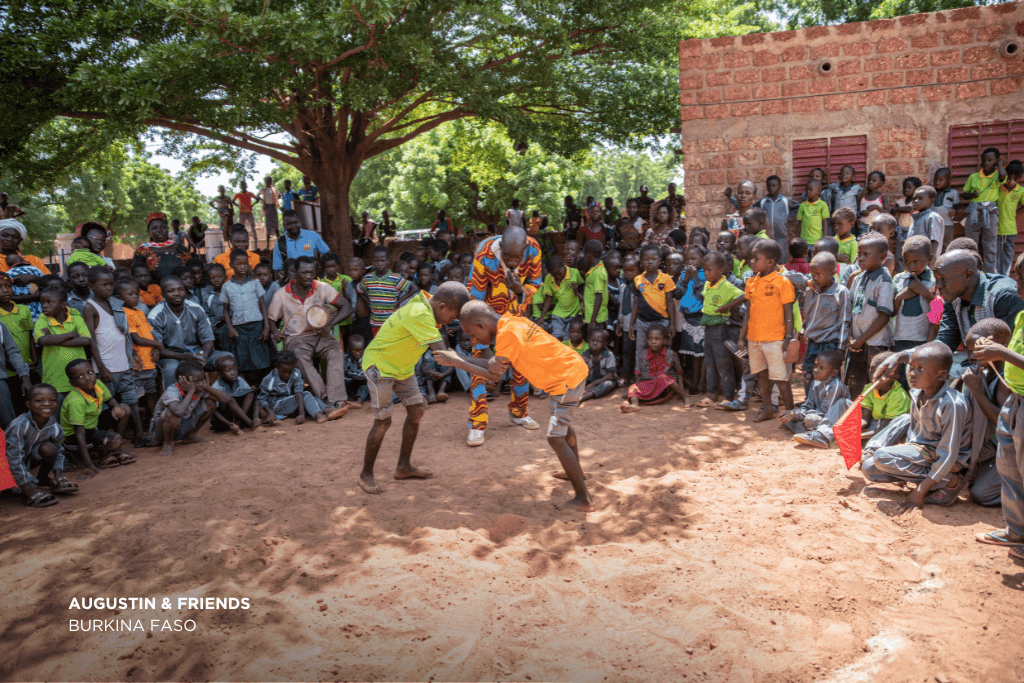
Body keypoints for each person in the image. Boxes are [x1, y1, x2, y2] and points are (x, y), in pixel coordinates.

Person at [436, 298, 594, 511]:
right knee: (562, 429)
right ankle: (574, 471)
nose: (475, 339)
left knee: (555, 438)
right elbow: (492, 364)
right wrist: (460, 358)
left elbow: (493, 375)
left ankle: (583, 499)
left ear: (481, 325)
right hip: (572, 370)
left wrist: (456, 361)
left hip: (565, 381)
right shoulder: (513, 321)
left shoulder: (506, 337)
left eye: (474, 334)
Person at [355, 282, 471, 493]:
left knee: (416, 410)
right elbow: (443, 355)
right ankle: (366, 474)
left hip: (402, 367)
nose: (452, 322)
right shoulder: (421, 314)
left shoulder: (426, 303)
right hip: (380, 366)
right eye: (453, 317)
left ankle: (403, 467)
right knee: (383, 422)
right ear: (442, 307)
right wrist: (481, 366)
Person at [862, 342, 972, 513]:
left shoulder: (952, 404)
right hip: (922, 451)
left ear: (941, 375)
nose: (912, 373)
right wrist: (904, 455)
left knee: (882, 457)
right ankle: (926, 478)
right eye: (911, 367)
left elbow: (948, 453)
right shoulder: (916, 393)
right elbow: (915, 434)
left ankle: (950, 482)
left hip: (945, 458)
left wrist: (919, 492)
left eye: (921, 369)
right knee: (870, 469)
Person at [465, 226, 544, 446]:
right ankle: (477, 424)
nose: (512, 261)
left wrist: (520, 291)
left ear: (525, 248)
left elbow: (535, 284)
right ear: (501, 247)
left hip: (515, 316)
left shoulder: (534, 250)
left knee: (521, 367)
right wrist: (483, 336)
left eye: (516, 257)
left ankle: (519, 413)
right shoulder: (484, 254)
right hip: (485, 318)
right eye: (508, 256)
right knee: (481, 367)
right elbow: (476, 298)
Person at [268, 256, 352, 410]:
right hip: (297, 338)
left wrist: (331, 323)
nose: (308, 276)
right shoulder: (281, 294)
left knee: (335, 351)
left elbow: (347, 306)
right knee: (299, 357)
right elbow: (271, 319)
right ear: (295, 272)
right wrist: (275, 331)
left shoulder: (322, 287)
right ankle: (326, 399)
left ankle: (336, 400)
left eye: (311, 272)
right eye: (304, 272)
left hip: (321, 335)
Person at [737, 239, 795, 422]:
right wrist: (742, 336)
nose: (751, 262)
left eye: (756, 258)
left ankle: (792, 414)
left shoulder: (782, 282)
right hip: (754, 338)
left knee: (780, 379)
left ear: (770, 262)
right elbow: (748, 312)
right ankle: (768, 409)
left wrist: (788, 337)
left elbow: (789, 312)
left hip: (775, 339)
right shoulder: (751, 282)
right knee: (761, 375)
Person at [82, 267, 142, 440]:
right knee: (107, 406)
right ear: (91, 286)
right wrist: (101, 366)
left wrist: (131, 355)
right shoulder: (90, 307)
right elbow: (91, 339)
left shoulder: (114, 303)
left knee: (132, 401)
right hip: (107, 367)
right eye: (104, 284)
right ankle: (108, 441)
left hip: (124, 363)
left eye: (111, 284)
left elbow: (123, 334)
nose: (109, 288)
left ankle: (139, 435)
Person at [958, 318, 1010, 508]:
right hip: (996, 449)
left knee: (981, 493)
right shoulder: (983, 371)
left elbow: (1003, 421)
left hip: (1012, 449)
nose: (972, 355)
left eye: (978, 348)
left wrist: (977, 391)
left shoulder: (1007, 379)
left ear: (1001, 345)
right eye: (969, 349)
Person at [5, 384, 75, 508]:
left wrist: (58, 476)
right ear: (28, 405)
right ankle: (25, 486)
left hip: (26, 461)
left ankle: (42, 478)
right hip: (6, 465)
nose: (47, 404)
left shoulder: (55, 427)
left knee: (50, 448)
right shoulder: (19, 425)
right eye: (39, 400)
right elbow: (13, 458)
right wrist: (27, 486)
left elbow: (58, 452)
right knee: (9, 493)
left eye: (52, 400)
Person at [60, 358, 134, 474]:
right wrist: (88, 465)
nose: (87, 378)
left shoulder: (97, 385)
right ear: (73, 383)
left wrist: (116, 406)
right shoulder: (75, 400)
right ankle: (104, 453)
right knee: (113, 438)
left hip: (93, 426)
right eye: (80, 376)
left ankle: (116, 449)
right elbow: (79, 433)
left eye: (89, 372)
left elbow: (110, 400)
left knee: (124, 408)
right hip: (75, 437)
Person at [846, 234, 894, 397]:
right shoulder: (858, 278)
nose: (861, 258)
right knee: (855, 380)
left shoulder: (884, 280)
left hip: (875, 342)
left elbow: (884, 316)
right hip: (857, 341)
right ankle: (857, 415)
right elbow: (851, 308)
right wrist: (852, 337)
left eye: (866, 255)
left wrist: (862, 339)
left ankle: (873, 417)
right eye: (859, 254)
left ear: (882, 257)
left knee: (875, 380)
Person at [115, 279, 162, 443]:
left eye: (136, 294)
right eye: (130, 294)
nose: (136, 297)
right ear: (118, 297)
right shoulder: (124, 314)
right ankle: (136, 433)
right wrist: (158, 344)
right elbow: (135, 338)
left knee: (151, 394)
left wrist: (156, 348)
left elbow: (150, 333)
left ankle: (153, 425)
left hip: (150, 363)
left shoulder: (139, 312)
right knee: (133, 399)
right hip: (138, 366)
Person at [147, 275, 215, 387]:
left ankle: (218, 401)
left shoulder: (196, 308)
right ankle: (173, 402)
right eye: (171, 291)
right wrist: (184, 357)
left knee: (225, 359)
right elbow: (158, 349)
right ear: (163, 295)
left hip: (196, 352)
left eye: (180, 289)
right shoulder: (156, 315)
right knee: (171, 369)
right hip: (169, 356)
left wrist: (204, 355)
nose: (177, 293)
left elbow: (208, 338)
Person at [780, 349, 851, 449]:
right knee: (791, 416)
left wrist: (797, 414)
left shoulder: (835, 386)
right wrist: (794, 414)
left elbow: (826, 413)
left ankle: (820, 436)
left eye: (822, 368)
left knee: (810, 419)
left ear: (834, 372)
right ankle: (810, 433)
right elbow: (808, 405)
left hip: (831, 419)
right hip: (819, 415)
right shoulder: (816, 382)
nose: (816, 370)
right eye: (816, 366)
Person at [221, 248, 273, 381]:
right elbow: (225, 309)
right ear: (231, 265)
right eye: (238, 264)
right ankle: (248, 389)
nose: (242, 267)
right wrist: (230, 327)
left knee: (262, 359)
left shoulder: (254, 283)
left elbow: (262, 304)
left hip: (257, 326)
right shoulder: (226, 286)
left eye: (245, 263)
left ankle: (264, 389)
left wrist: (266, 327)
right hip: (239, 327)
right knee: (243, 361)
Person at [800, 251, 850, 391]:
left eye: (819, 274)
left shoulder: (841, 292)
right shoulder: (810, 288)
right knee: (808, 372)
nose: (815, 277)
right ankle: (810, 403)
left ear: (832, 272)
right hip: (812, 343)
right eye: (813, 273)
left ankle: (829, 406)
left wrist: (840, 348)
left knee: (828, 378)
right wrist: (806, 281)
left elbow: (844, 320)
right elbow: (787, 275)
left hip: (830, 344)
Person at [147, 361, 217, 457]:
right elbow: (179, 412)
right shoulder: (172, 391)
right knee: (172, 413)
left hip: (181, 427)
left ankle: (191, 435)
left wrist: (207, 387)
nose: (201, 383)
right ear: (183, 380)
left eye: (202, 379)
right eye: (197, 381)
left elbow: (226, 399)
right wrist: (191, 391)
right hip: (160, 434)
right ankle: (168, 443)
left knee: (211, 403)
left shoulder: (199, 388)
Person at [34, 286, 92, 400]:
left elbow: (86, 340)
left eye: (49, 302)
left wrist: (53, 338)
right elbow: (43, 341)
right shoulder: (42, 320)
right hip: (54, 379)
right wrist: (70, 335)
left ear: (63, 304)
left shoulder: (76, 318)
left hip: (79, 379)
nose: (44, 306)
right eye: (42, 303)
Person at [629, 244, 676, 376]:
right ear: (641, 261)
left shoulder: (665, 279)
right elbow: (636, 303)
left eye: (653, 259)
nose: (650, 262)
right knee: (641, 351)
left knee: (664, 351)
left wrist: (672, 323)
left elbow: (670, 302)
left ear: (660, 261)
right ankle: (641, 378)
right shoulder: (638, 280)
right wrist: (632, 323)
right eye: (646, 259)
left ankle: (664, 378)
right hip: (642, 322)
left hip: (662, 322)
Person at [621, 322, 687, 412]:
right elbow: (639, 375)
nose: (653, 341)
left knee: (664, 377)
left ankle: (686, 398)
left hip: (664, 388)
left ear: (664, 340)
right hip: (648, 385)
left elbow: (679, 373)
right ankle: (635, 405)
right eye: (650, 339)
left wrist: (681, 388)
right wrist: (631, 392)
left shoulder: (671, 354)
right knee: (632, 387)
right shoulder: (642, 355)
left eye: (657, 339)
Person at [962, 148, 1006, 274]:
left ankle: (990, 274)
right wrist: (972, 195)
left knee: (990, 245)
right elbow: (964, 195)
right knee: (971, 244)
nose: (986, 163)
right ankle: (971, 272)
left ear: (996, 161)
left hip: (991, 212)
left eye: (990, 160)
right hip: (974, 211)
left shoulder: (998, 176)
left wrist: (999, 164)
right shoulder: (974, 177)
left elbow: (1003, 176)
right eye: (984, 160)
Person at [892, 236, 939, 353]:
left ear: (930, 258)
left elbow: (940, 312)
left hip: (923, 339)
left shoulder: (935, 280)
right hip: (899, 339)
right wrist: (899, 298)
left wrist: (925, 293)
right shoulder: (899, 279)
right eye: (907, 262)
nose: (911, 266)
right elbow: (891, 313)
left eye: (916, 262)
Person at [0, 273, 36, 417]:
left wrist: (33, 360)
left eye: (8, 286)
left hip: (26, 366)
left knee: (28, 403)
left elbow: (29, 336)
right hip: (7, 370)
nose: (5, 290)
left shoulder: (23, 310)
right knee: (15, 404)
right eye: (0, 287)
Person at [357, 245, 414, 336]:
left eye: (382, 260)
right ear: (373, 261)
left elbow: (414, 288)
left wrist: (398, 302)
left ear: (388, 261)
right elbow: (359, 290)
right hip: (376, 323)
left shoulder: (395, 278)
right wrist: (368, 301)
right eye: (377, 261)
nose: (380, 263)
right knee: (379, 346)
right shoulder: (368, 278)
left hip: (393, 322)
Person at [860, 351, 911, 439]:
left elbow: (886, 429)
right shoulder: (869, 388)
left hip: (891, 427)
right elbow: (865, 419)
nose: (874, 378)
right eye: (872, 372)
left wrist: (859, 436)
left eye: (882, 374)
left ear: (895, 377)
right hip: (876, 423)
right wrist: (852, 431)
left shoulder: (898, 395)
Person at [210, 354, 264, 432]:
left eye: (235, 369)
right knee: (229, 399)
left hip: (240, 416)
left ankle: (240, 421)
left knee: (251, 393)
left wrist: (256, 417)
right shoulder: (217, 386)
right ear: (220, 374)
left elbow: (254, 398)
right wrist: (229, 423)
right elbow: (214, 410)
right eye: (228, 370)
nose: (233, 373)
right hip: (225, 419)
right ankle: (241, 423)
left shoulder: (240, 380)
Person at [134, 213, 191, 281]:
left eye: (163, 227)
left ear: (167, 228)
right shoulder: (142, 251)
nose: (159, 230)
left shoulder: (181, 249)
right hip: (155, 291)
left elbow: (190, 273)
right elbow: (136, 275)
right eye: (154, 228)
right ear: (148, 231)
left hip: (178, 291)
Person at [538, 255, 583, 341]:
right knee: (556, 337)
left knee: (567, 338)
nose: (557, 276)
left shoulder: (574, 273)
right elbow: (548, 298)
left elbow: (583, 286)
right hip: (558, 314)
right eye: (554, 275)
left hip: (573, 314)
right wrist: (542, 316)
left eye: (559, 273)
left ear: (563, 265)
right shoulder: (548, 278)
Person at [996, 159, 1024, 276]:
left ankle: (1005, 279)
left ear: (1019, 178)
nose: (1011, 181)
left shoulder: (1021, 191)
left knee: (1007, 258)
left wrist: (1015, 212)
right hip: (996, 230)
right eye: (1009, 178)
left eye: (1015, 179)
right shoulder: (998, 187)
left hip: (1011, 230)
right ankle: (996, 279)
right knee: (995, 257)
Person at [909, 185, 944, 265]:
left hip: (926, 264)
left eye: (920, 198)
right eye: (914, 198)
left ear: (931, 201)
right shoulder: (916, 218)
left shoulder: (932, 217)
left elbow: (934, 241)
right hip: (915, 263)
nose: (916, 201)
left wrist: (930, 264)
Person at [579, 328, 615, 403]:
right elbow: (581, 373)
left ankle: (584, 397)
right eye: (593, 340)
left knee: (608, 384)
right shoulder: (585, 355)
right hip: (589, 381)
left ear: (605, 344)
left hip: (604, 380)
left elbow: (610, 375)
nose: (595, 343)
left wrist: (594, 383)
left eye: (599, 341)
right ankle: (578, 394)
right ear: (588, 341)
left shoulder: (609, 355)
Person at [5, 253, 44, 321]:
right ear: (22, 259)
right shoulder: (35, 269)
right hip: (39, 306)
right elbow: (47, 282)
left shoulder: (8, 274)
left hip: (21, 308)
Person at [582, 240, 608, 334]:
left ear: (588, 255)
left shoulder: (598, 273)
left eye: (584, 255)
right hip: (592, 315)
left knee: (596, 340)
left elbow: (599, 296)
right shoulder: (594, 269)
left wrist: (593, 320)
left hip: (597, 318)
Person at [932, 168, 959, 251]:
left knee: (947, 247)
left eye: (941, 180)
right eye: (936, 180)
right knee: (935, 247)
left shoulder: (953, 193)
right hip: (934, 225)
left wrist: (954, 212)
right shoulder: (932, 193)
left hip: (948, 225)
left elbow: (956, 209)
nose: (937, 182)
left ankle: (947, 263)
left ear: (948, 181)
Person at [858, 170, 890, 237]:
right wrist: (861, 213)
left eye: (874, 180)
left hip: (876, 227)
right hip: (863, 226)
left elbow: (888, 214)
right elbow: (857, 210)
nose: (870, 182)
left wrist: (877, 207)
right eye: (869, 180)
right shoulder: (863, 196)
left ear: (880, 183)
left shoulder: (883, 196)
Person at [797, 179, 830, 245]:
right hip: (804, 240)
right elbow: (799, 223)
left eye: (810, 190)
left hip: (817, 240)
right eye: (806, 190)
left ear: (818, 192)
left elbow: (825, 222)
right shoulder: (803, 205)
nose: (807, 192)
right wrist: (797, 238)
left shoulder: (822, 205)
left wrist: (825, 237)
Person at [259, 176, 281, 247]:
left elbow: (280, 195)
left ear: (271, 182)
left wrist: (276, 200)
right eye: (266, 181)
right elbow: (258, 196)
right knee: (268, 226)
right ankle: (268, 245)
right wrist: (263, 202)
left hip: (273, 208)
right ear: (266, 182)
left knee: (276, 226)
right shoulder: (263, 189)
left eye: (269, 181)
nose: (268, 182)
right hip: (267, 208)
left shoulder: (274, 189)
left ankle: (280, 244)